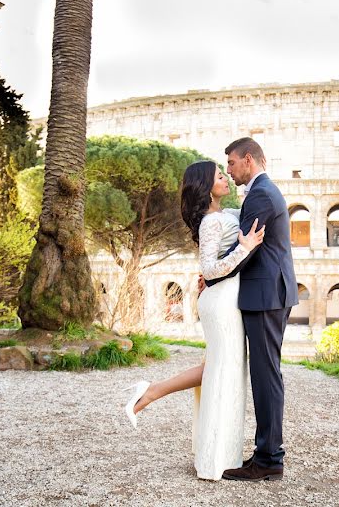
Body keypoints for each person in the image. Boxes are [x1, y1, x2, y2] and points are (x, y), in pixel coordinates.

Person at [123, 160, 264, 481]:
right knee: (222, 371)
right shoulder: (209, 222)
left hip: (230, 298)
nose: (225, 177)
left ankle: (152, 392)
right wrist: (244, 249)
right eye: (218, 175)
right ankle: (214, 458)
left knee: (221, 369)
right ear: (205, 185)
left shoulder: (226, 214)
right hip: (221, 301)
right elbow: (211, 269)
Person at [207, 137, 298, 482]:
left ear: (248, 160)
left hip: (266, 295)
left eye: (230, 163)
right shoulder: (264, 191)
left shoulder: (261, 194)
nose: (228, 171)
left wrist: (212, 277)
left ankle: (269, 458)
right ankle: (268, 454)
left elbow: (249, 248)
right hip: (270, 293)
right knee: (266, 373)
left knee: (266, 376)